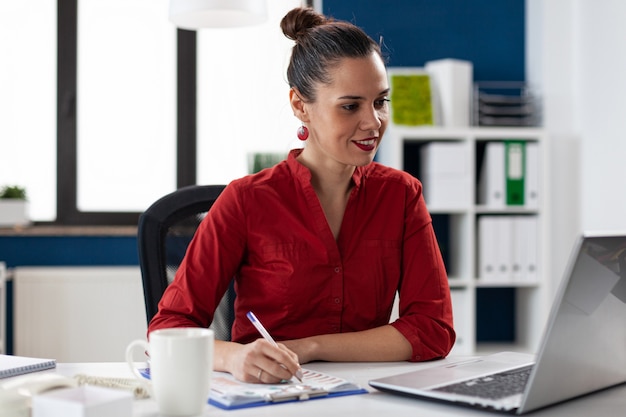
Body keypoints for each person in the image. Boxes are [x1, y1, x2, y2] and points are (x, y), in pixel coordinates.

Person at [148, 6, 455, 384]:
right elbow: (167, 329)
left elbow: (433, 329)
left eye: (380, 101)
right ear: (300, 105)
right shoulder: (245, 201)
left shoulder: (401, 195)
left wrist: (310, 346)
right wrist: (234, 357)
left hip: (364, 399)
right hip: (265, 398)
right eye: (350, 106)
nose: (373, 122)